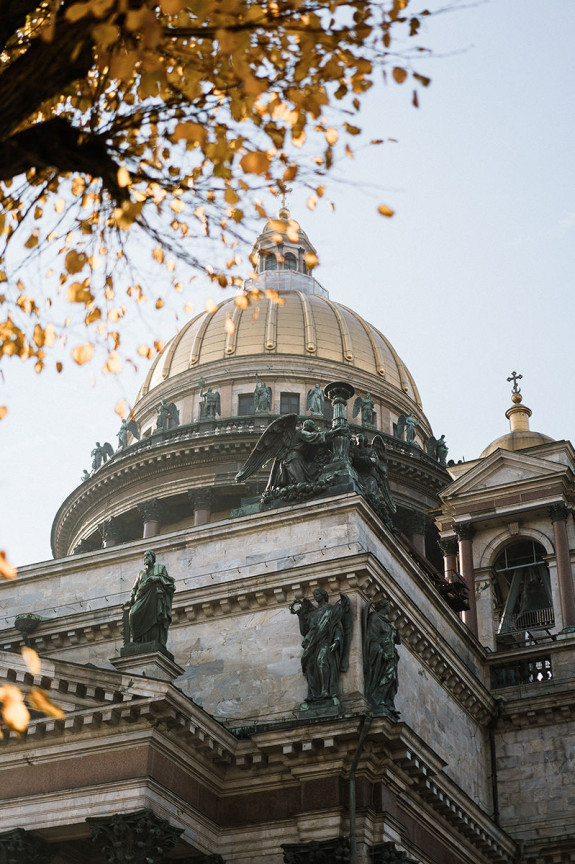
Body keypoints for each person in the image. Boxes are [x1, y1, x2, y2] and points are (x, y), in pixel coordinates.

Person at [291, 589, 352, 704]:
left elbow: (337, 626)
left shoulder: (330, 610)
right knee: (310, 666)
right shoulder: (312, 613)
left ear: (324, 595)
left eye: (317, 594)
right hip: (311, 644)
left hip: (325, 641)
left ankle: (326, 690)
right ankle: (313, 693)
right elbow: (304, 631)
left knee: (322, 661)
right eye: (314, 595)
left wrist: (337, 641)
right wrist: (300, 616)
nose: (315, 596)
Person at [128, 550, 175, 647]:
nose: (146, 558)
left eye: (148, 555)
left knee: (154, 618)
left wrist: (156, 578)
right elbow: (135, 587)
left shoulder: (160, 568)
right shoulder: (141, 573)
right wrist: (131, 598)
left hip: (155, 598)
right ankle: (137, 638)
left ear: (153, 558)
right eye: (145, 556)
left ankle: (153, 640)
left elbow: (168, 582)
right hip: (142, 597)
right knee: (133, 614)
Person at [363, 598, 400, 717]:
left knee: (393, 679)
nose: (390, 608)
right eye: (389, 605)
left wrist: (396, 631)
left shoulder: (387, 623)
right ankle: (377, 699)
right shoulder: (375, 618)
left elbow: (397, 641)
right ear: (384, 606)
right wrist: (381, 652)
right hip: (381, 654)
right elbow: (371, 638)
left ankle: (386, 702)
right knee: (389, 676)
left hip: (391, 655)